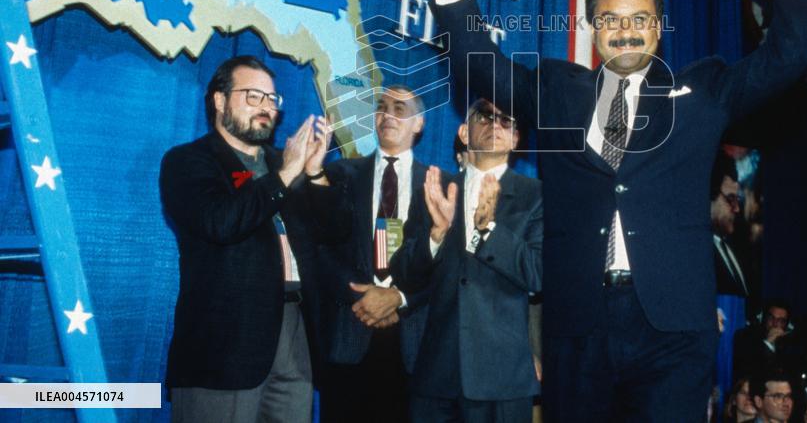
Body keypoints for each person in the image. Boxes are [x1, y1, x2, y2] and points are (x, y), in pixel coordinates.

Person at [427, 0, 807, 422]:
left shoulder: (703, 92)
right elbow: (479, 63)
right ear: (592, 31)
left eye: (640, 18)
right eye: (611, 20)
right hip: (579, 322)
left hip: (672, 327)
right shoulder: (557, 89)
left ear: (658, 28)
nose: (626, 29)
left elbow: (788, 55)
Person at [160, 55, 348, 422]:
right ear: (219, 100)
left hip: (296, 336)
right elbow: (222, 223)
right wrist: (285, 175)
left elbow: (335, 234)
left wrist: (314, 174)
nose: (266, 108)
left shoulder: (289, 162)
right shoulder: (188, 161)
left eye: (272, 99)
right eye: (253, 96)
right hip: (225, 343)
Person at [391, 98, 543, 422]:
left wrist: (489, 229)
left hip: (502, 380)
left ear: (516, 139)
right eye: (485, 116)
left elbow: (538, 274)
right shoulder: (434, 191)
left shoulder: (537, 195)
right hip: (435, 376)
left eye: (507, 121)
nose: (495, 125)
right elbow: (404, 273)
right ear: (463, 131)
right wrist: (437, 234)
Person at [313, 84, 437, 422]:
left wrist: (399, 297)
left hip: (413, 346)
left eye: (400, 109)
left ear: (420, 123)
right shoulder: (339, 174)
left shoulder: (440, 185)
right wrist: (363, 297)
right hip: (349, 332)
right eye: (382, 107)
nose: (388, 115)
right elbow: (319, 248)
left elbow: (447, 266)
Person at [713, 151, 752, 405]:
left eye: (738, 200)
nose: (737, 208)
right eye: (730, 200)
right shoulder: (696, 253)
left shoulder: (730, 250)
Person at [734, 299, 794, 383]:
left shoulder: (790, 346)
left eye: (781, 321)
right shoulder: (746, 337)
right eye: (771, 318)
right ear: (764, 319)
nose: (775, 324)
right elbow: (748, 370)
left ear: (787, 326)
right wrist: (767, 344)